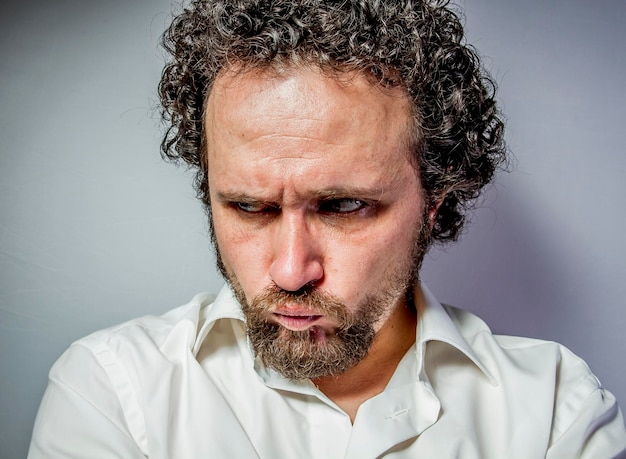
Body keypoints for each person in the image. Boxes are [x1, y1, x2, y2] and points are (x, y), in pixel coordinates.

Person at [28, 0, 626, 457]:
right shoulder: (113, 392)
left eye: (343, 207)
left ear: (435, 202)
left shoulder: (552, 408)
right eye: (248, 206)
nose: (291, 271)